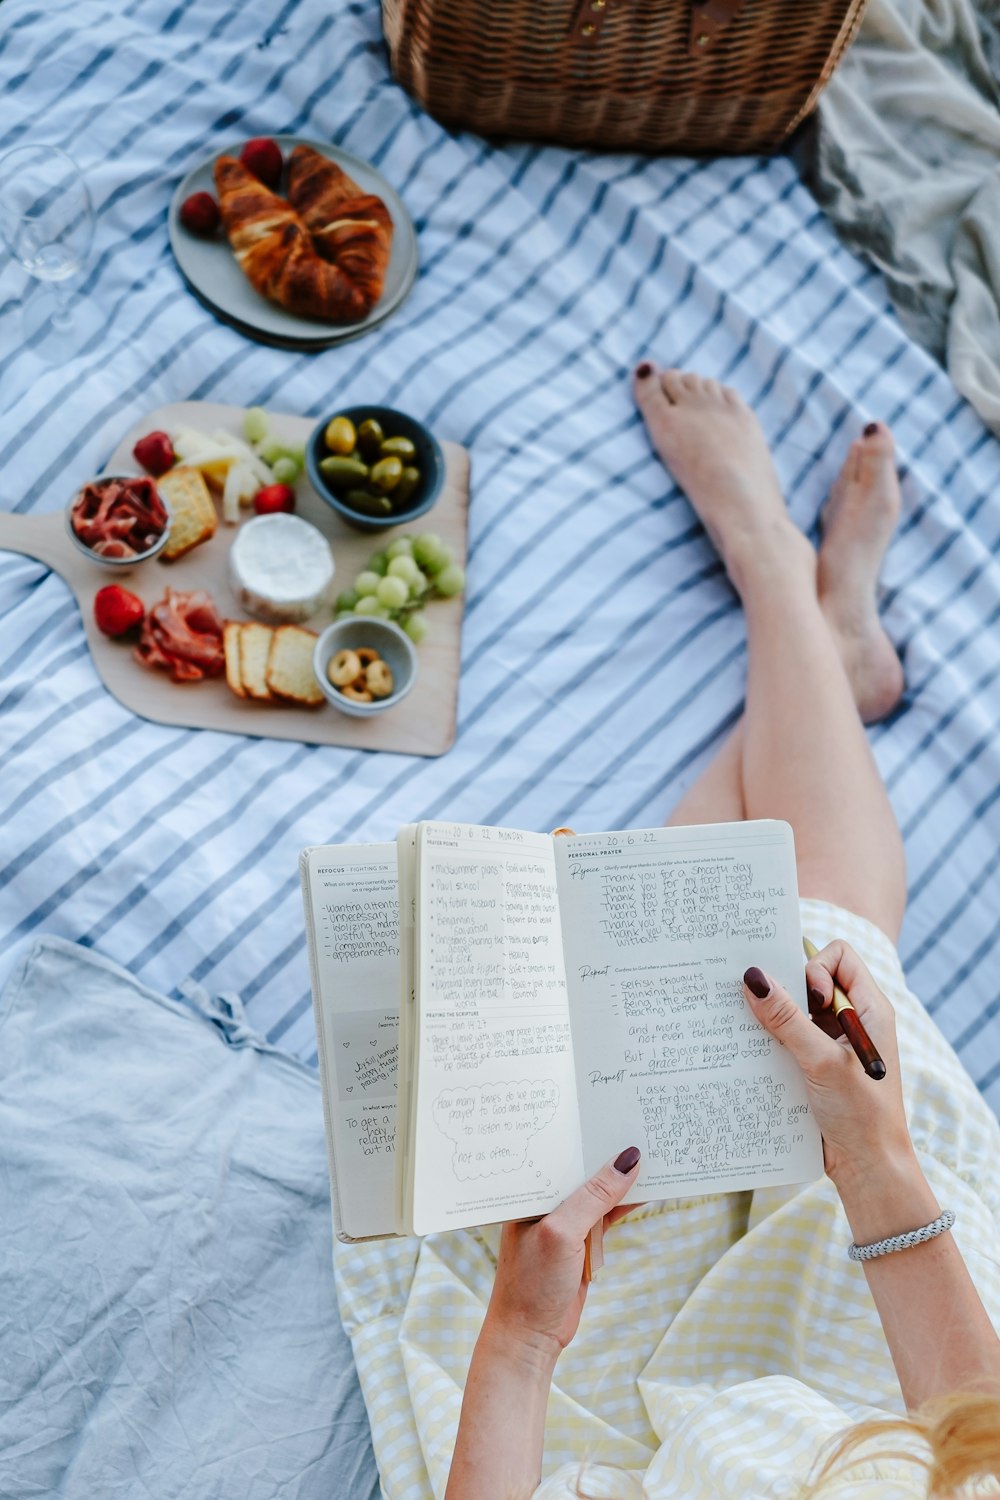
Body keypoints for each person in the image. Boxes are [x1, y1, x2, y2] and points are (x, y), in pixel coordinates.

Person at [334, 367, 1000, 1500]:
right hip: (900, 1391)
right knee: (785, 949)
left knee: (677, 981)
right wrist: (873, 1159)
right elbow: (976, 1435)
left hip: (601, 1433)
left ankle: (796, 609)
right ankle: (792, 605)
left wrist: (519, 1339)